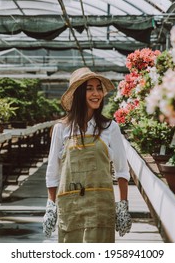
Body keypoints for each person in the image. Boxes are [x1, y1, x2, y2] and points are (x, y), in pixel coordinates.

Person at [42, 67, 132, 243]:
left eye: (99, 88)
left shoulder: (110, 128)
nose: (96, 93)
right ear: (78, 93)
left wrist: (123, 205)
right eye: (89, 88)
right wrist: (50, 206)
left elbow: (122, 170)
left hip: (100, 205)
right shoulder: (62, 128)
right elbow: (52, 171)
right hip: (70, 206)